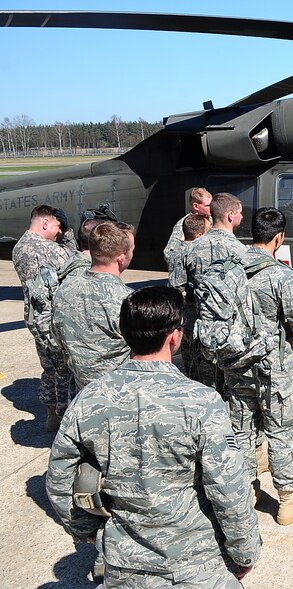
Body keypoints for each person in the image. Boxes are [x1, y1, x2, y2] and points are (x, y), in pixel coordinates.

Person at [46, 286, 261, 587]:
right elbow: (229, 489)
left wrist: (91, 532)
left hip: (124, 565)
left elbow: (60, 480)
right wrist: (245, 552)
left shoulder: (89, 399)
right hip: (196, 564)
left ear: (125, 334)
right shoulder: (201, 402)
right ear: (175, 336)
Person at [223, 207, 293, 525]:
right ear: (279, 238)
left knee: (241, 432)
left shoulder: (228, 270)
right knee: (280, 432)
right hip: (272, 369)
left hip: (235, 365)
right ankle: (288, 500)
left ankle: (246, 491)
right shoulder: (281, 276)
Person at [12, 205, 76, 431]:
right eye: (57, 226)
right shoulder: (47, 248)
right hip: (54, 319)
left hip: (35, 318)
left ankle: (50, 411)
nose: (59, 232)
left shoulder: (20, 247)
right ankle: (61, 416)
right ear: (45, 223)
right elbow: (76, 263)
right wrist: (69, 234)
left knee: (49, 367)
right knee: (63, 370)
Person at [52, 221, 135, 393]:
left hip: (81, 395)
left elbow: (56, 340)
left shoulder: (64, 290)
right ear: (121, 258)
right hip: (119, 396)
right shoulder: (126, 299)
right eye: (131, 250)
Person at [185, 192, 248, 389]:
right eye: (240, 213)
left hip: (199, 330)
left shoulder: (191, 248)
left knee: (202, 387)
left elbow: (179, 288)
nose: (242, 217)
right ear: (230, 215)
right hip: (230, 335)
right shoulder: (240, 251)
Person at [167, 213, 211, 380]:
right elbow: (185, 286)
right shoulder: (192, 253)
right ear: (199, 235)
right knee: (199, 359)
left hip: (183, 314)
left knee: (187, 354)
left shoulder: (176, 251)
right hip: (193, 313)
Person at [163, 187, 212, 265]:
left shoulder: (212, 221)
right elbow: (169, 254)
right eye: (208, 205)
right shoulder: (184, 224)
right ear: (196, 206)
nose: (211, 208)